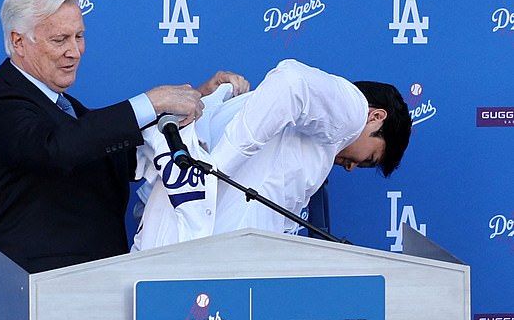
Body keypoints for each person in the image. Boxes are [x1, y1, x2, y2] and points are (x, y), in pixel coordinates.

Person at [0, 0, 248, 273]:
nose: (74, 51)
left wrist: (197, 99)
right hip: (45, 293)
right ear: (18, 41)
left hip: (97, 285)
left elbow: (113, 152)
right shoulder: (1, 101)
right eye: (60, 39)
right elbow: (60, 148)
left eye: (79, 36)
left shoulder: (65, 107)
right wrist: (151, 102)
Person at [132, 59, 411, 251]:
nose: (352, 167)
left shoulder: (310, 144)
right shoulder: (352, 110)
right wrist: (214, 170)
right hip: (196, 261)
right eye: (368, 160)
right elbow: (292, 83)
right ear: (375, 117)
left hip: (181, 256)